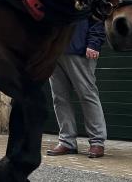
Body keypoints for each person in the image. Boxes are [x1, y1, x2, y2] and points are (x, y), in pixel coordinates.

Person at [45, 18, 108, 159]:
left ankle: (97, 141)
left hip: (80, 50)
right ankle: (67, 142)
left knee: (87, 95)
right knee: (59, 98)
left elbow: (98, 16)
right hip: (54, 51)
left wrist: (94, 43)